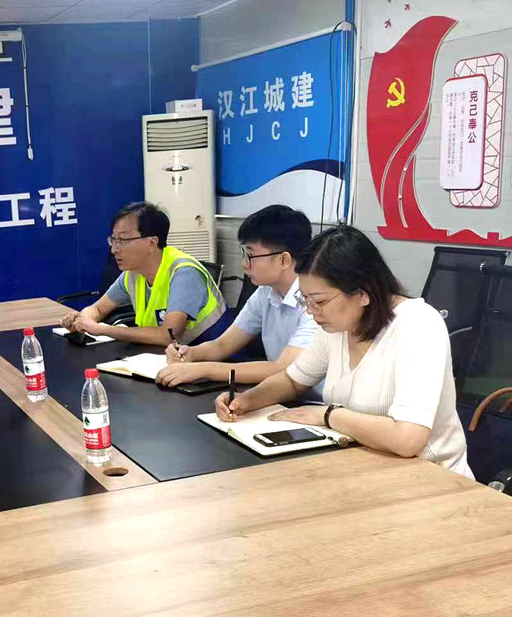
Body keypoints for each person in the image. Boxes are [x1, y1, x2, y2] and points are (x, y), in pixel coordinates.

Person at [216, 226, 472, 478]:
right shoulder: (339, 325)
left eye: (319, 301)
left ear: (362, 294)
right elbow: (293, 380)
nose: (311, 311)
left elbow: (407, 439)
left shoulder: (418, 325)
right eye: (305, 300)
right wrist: (246, 401)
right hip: (363, 467)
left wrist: (328, 415)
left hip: (431, 479)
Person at [156, 205, 318, 388]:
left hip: (315, 400)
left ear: (284, 260)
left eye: (250, 255)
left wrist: (203, 370)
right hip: (279, 392)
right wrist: (190, 353)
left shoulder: (315, 302)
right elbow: (222, 345)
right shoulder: (265, 292)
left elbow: (283, 369)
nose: (244, 264)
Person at [60, 202, 228, 346]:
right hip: (162, 356)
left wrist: (103, 329)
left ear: (152, 243)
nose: (114, 249)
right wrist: (82, 320)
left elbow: (168, 335)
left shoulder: (184, 274)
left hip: (209, 358)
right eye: (113, 240)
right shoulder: (133, 273)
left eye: (122, 240)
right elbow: (98, 308)